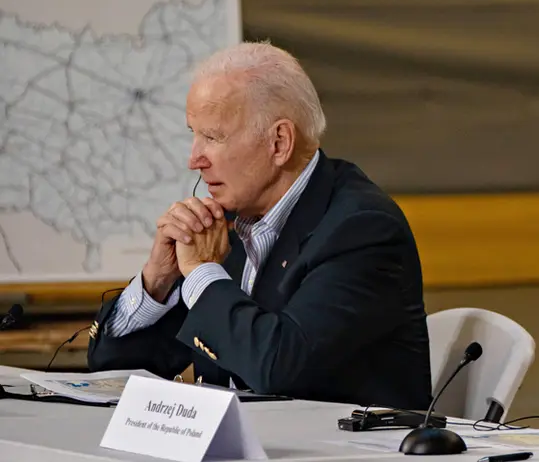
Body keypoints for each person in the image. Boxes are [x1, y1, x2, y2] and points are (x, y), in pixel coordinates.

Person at [87, 42, 432, 410]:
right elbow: (113, 371)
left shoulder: (362, 230)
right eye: (194, 133)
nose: (194, 159)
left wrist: (203, 273)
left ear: (279, 142)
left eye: (213, 137)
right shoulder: (227, 224)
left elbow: (279, 368)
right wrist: (158, 282)